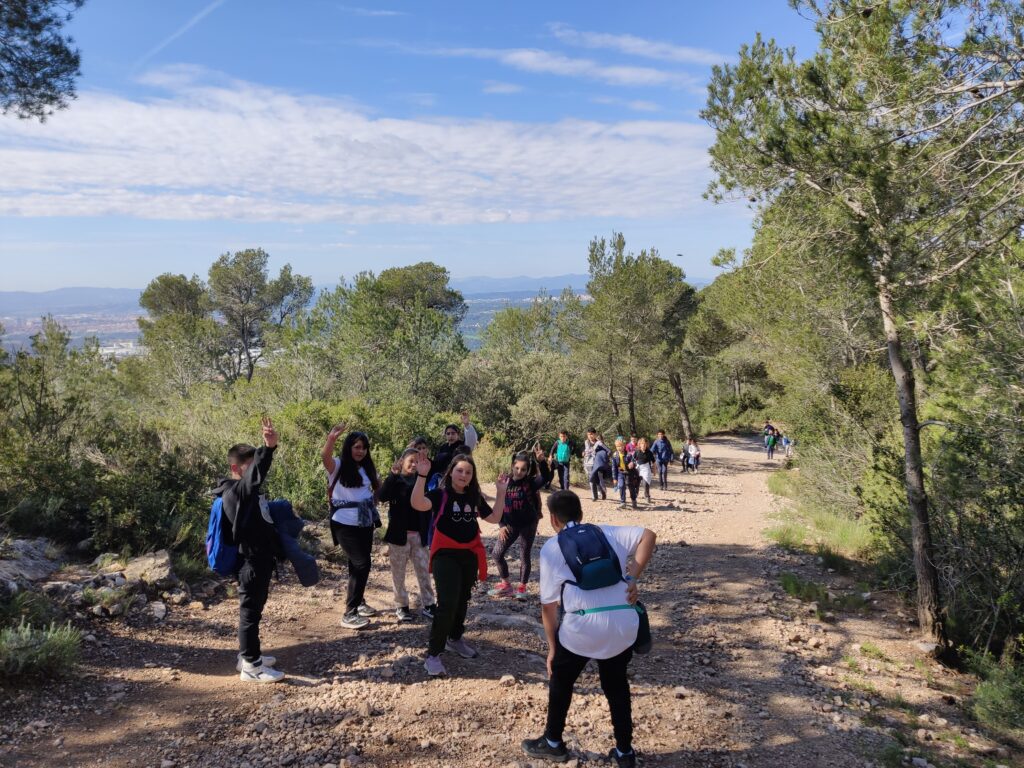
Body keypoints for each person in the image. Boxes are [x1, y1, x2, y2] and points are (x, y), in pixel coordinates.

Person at [521, 490, 657, 767]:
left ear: (553, 519)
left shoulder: (552, 548)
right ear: (581, 514)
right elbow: (649, 535)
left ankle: (553, 742)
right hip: (623, 625)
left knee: (561, 679)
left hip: (582, 629)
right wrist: (632, 577)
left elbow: (548, 607)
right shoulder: (607, 532)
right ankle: (625, 752)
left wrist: (552, 649)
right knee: (616, 685)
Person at [411, 451, 506, 677]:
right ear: (451, 472)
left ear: (473, 476)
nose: (464, 475)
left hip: (469, 554)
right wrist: (421, 476)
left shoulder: (474, 496)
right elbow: (418, 503)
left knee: (463, 599)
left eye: (468, 472)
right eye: (460, 470)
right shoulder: (440, 494)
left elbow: (493, 518)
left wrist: (501, 492)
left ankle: (454, 638)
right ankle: (433, 655)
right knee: (447, 603)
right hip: (445, 555)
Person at [211, 417, 285, 683]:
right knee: (250, 614)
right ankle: (252, 667)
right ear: (236, 468)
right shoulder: (235, 492)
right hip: (250, 562)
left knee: (254, 611)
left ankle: (247, 656)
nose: (254, 470)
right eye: (250, 465)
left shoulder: (242, 492)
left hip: (257, 559)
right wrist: (269, 449)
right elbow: (255, 478)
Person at [322, 424, 382, 630]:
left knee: (356, 564)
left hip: (364, 520)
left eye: (363, 448)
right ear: (349, 447)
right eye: (356, 447)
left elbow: (377, 487)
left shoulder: (367, 467)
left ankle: (359, 601)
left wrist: (374, 501)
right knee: (362, 563)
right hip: (343, 522)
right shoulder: (338, 466)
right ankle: (350, 612)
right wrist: (331, 439)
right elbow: (325, 457)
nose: (360, 451)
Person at [380, 448, 436, 622]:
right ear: (402, 461)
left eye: (416, 462)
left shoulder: (422, 480)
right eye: (410, 461)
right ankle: (401, 606)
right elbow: (382, 496)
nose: (413, 464)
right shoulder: (395, 480)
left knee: (424, 571)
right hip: (398, 536)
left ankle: (429, 604)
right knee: (398, 574)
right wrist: (392, 475)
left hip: (419, 535)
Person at [489, 445, 552, 600]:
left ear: (527, 470)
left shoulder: (530, 483)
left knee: (524, 555)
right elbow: (499, 505)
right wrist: (501, 525)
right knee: (496, 554)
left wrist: (542, 461)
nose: (519, 472)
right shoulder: (505, 482)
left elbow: (545, 477)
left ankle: (522, 588)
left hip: (528, 524)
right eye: (517, 468)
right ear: (512, 466)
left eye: (523, 470)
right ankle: (506, 584)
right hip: (509, 524)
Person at [431, 411, 479, 478]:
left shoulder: (463, 446)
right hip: (440, 479)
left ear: (458, 434)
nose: (450, 436)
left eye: (453, 433)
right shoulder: (443, 447)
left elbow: (472, 440)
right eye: (448, 434)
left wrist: (467, 425)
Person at [611, 438, 639, 510]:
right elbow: (614, 467)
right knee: (621, 486)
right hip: (621, 473)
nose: (619, 448)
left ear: (624, 446)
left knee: (631, 486)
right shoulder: (615, 455)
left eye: (621, 446)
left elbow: (634, 461)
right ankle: (623, 502)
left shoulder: (629, 454)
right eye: (617, 446)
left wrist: (632, 463)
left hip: (629, 473)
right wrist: (614, 478)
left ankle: (633, 500)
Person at [633, 437, 655, 504]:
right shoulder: (637, 452)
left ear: (647, 445)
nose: (643, 445)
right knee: (636, 483)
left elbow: (654, 462)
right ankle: (635, 494)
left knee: (646, 484)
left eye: (645, 444)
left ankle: (647, 496)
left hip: (646, 469)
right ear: (639, 444)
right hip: (638, 468)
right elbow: (632, 460)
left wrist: (654, 470)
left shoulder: (649, 452)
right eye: (642, 444)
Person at [589, 436, 611, 501]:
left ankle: (603, 489)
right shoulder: (594, 445)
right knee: (597, 479)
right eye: (598, 439)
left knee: (599, 476)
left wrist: (606, 457)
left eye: (600, 440)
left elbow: (609, 451)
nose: (599, 441)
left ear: (602, 440)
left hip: (601, 464)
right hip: (595, 464)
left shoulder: (603, 446)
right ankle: (602, 491)